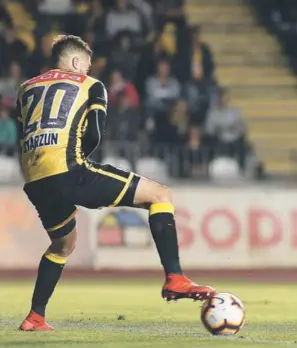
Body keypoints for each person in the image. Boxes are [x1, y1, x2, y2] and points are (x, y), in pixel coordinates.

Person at [15, 35, 216, 332]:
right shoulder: (91, 85)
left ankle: (35, 316)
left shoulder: (26, 88)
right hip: (69, 169)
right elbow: (94, 134)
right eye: (86, 63)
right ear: (74, 62)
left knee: (63, 244)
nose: (87, 69)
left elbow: (29, 131)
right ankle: (175, 278)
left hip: (34, 178)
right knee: (160, 194)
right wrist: (80, 162)